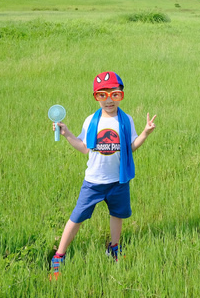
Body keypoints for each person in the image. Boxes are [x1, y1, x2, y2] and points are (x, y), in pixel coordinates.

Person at [50, 71, 157, 279]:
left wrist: (145, 133)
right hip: (94, 182)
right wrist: (66, 133)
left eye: (114, 94)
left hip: (118, 180)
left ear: (120, 95)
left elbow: (130, 147)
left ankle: (113, 249)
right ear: (96, 96)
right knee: (77, 217)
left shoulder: (126, 120)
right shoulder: (92, 120)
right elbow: (84, 147)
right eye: (102, 95)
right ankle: (59, 255)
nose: (109, 100)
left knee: (117, 215)